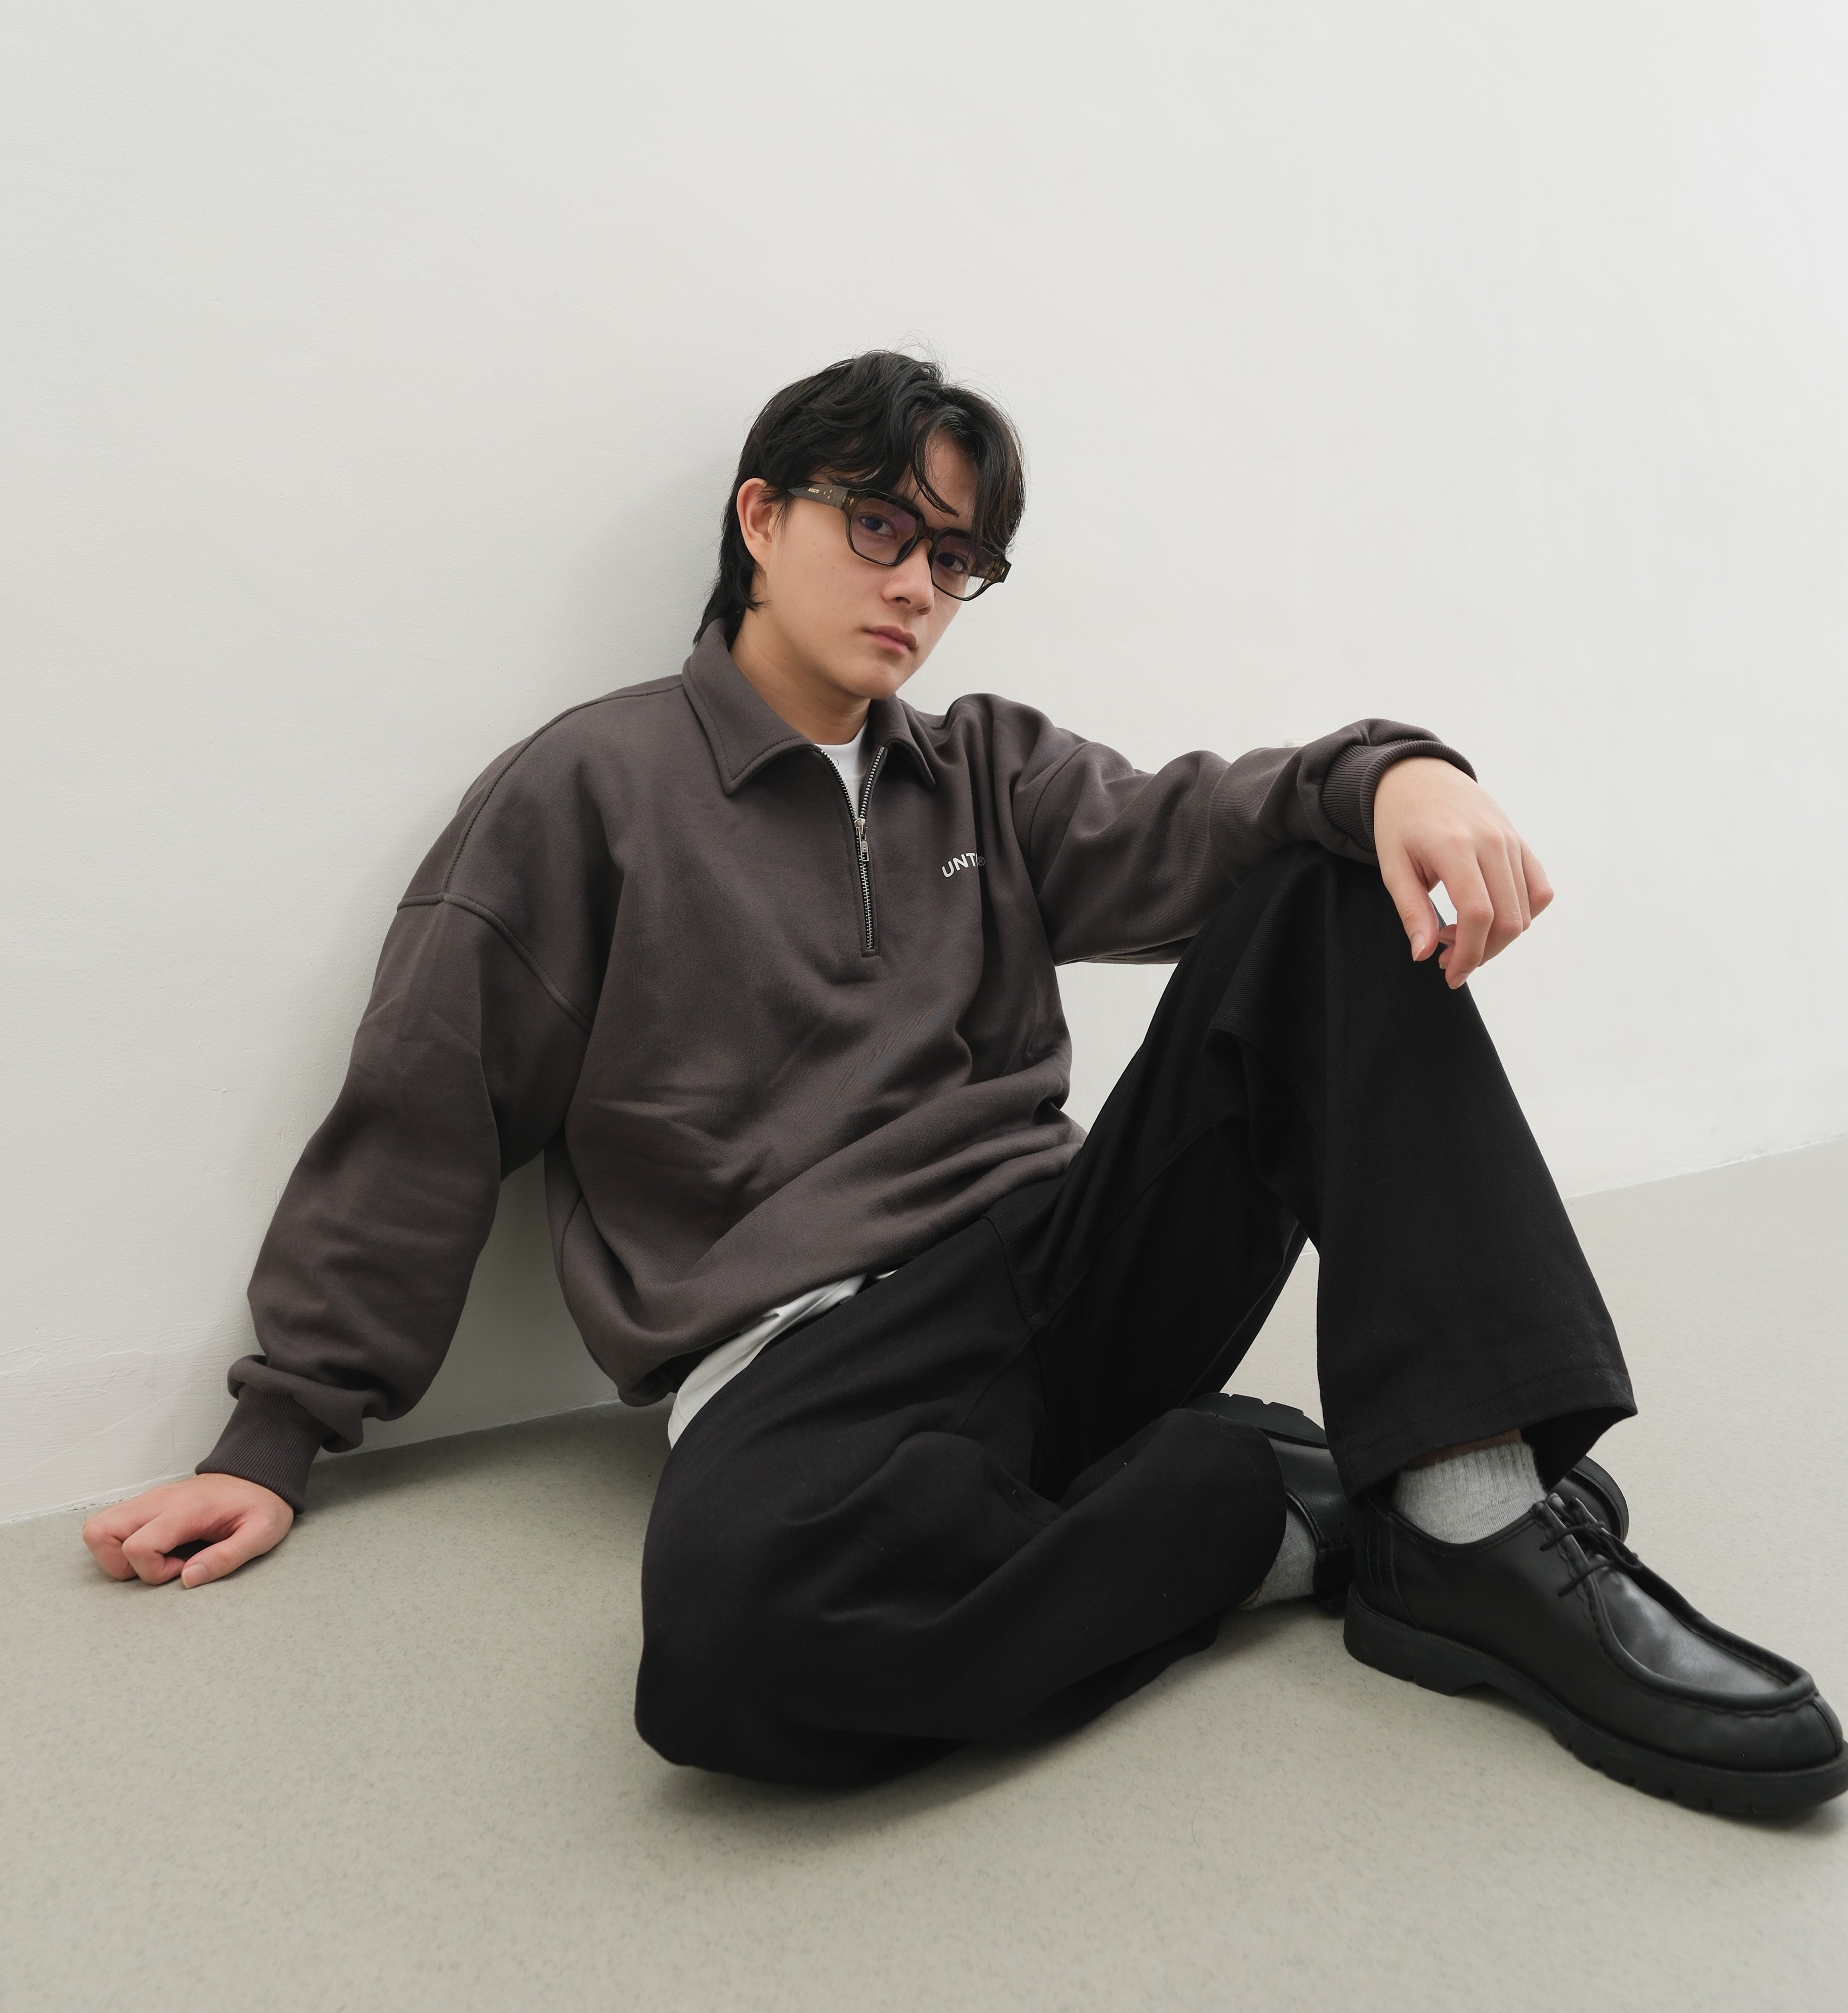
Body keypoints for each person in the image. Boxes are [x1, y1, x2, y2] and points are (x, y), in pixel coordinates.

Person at [84, 351, 1844, 1816]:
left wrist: (1395, 773)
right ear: (758, 521)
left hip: (1066, 1273)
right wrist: (280, 1431)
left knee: (1319, 888)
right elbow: (425, 1109)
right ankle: (1286, 1513)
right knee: (732, 1652)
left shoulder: (987, 774)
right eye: (880, 529)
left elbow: (1204, 820)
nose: (918, 586)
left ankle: (1474, 1518)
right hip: (808, 1357)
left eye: (956, 557)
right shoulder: (586, 792)